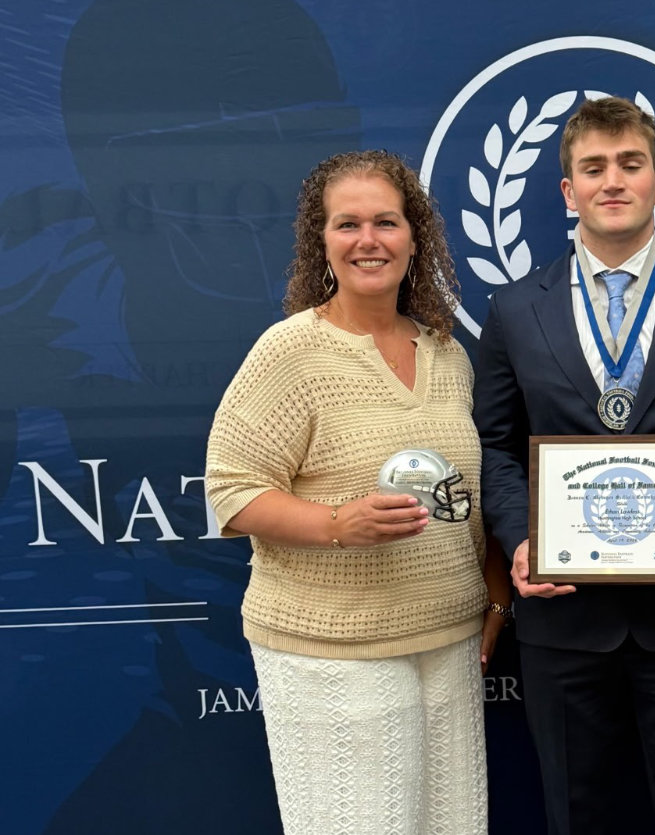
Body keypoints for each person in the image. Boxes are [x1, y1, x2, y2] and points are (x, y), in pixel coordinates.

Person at [473, 96, 655, 835]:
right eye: (593, 167)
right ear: (567, 190)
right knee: (575, 816)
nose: (614, 181)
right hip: (562, 614)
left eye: (631, 164)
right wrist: (519, 540)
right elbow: (495, 446)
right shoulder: (514, 309)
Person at [205, 150, 511, 835]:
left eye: (386, 222)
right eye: (348, 224)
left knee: (451, 824)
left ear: (415, 236)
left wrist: (494, 594)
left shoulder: (448, 352)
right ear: (322, 239)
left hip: (447, 636)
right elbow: (231, 488)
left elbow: (473, 497)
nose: (368, 240)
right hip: (331, 644)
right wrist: (339, 522)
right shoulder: (291, 351)